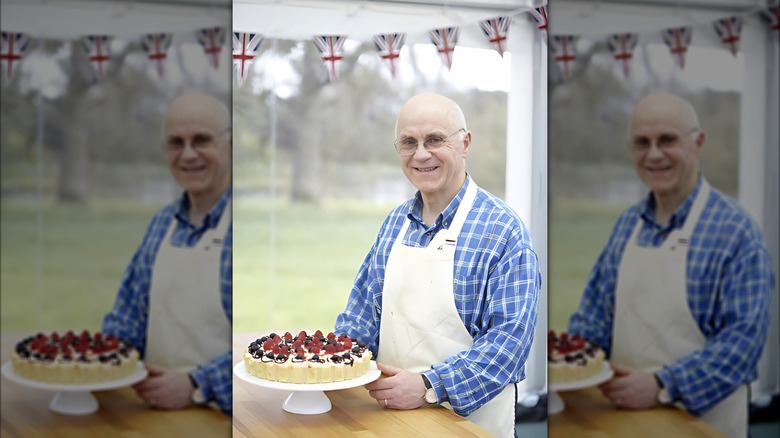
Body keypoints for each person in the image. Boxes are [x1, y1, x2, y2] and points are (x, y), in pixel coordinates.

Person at [334, 92, 541, 438]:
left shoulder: (503, 231)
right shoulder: (393, 224)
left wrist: (429, 386)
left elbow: (509, 345)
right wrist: (326, 363)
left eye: (434, 140)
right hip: (389, 423)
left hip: (471, 428)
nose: (421, 154)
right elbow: (361, 318)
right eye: (408, 142)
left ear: (465, 143)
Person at [567, 92, 774, 437]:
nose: (654, 154)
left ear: (698, 143)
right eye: (641, 143)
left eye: (667, 140)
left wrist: (663, 384)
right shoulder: (627, 224)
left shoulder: (736, 232)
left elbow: (742, 346)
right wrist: (568, 360)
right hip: (624, 421)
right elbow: (594, 319)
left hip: (704, 427)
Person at [102, 92, 233, 414]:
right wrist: (95, 363)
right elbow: (128, 319)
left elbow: (259, 348)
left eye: (201, 140)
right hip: (151, 411)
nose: (188, 155)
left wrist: (197, 384)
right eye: (176, 143)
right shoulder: (162, 222)